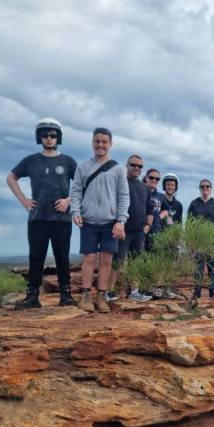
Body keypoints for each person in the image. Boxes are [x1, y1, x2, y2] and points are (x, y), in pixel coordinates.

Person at [7, 117, 78, 310]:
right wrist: (24, 200)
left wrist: (68, 201)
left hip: (61, 219)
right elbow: (11, 178)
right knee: (36, 257)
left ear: (58, 138)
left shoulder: (68, 161)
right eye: (45, 135)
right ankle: (32, 297)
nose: (49, 138)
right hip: (37, 217)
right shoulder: (31, 161)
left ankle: (66, 295)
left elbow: (82, 184)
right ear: (39, 137)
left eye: (53, 135)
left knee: (62, 257)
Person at [69, 127, 129, 313]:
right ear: (92, 143)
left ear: (110, 144)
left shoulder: (118, 169)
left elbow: (123, 196)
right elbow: (76, 191)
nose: (100, 145)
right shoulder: (83, 167)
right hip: (88, 221)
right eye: (97, 141)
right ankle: (86, 296)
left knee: (106, 260)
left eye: (104, 142)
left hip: (110, 222)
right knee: (88, 258)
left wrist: (121, 220)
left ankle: (101, 297)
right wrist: (75, 211)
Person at [106, 155, 154, 303]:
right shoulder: (120, 183)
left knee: (135, 262)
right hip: (123, 230)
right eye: (133, 165)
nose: (136, 168)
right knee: (117, 262)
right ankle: (108, 292)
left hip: (139, 232)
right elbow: (112, 205)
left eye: (140, 166)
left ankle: (134, 292)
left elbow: (149, 209)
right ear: (127, 165)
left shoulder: (144, 188)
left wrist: (148, 225)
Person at [187, 179, 214, 299]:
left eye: (207, 186)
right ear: (199, 188)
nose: (205, 188)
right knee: (198, 269)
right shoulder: (194, 204)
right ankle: (197, 293)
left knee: (212, 269)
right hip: (198, 243)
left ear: (211, 188)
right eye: (202, 187)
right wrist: (190, 243)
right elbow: (189, 224)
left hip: (212, 243)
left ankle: (212, 293)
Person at [144, 168, 163, 251]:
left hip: (155, 233)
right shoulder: (140, 191)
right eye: (151, 177)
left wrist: (159, 217)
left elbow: (167, 209)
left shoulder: (160, 196)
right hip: (142, 232)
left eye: (157, 179)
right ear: (146, 178)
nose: (154, 180)